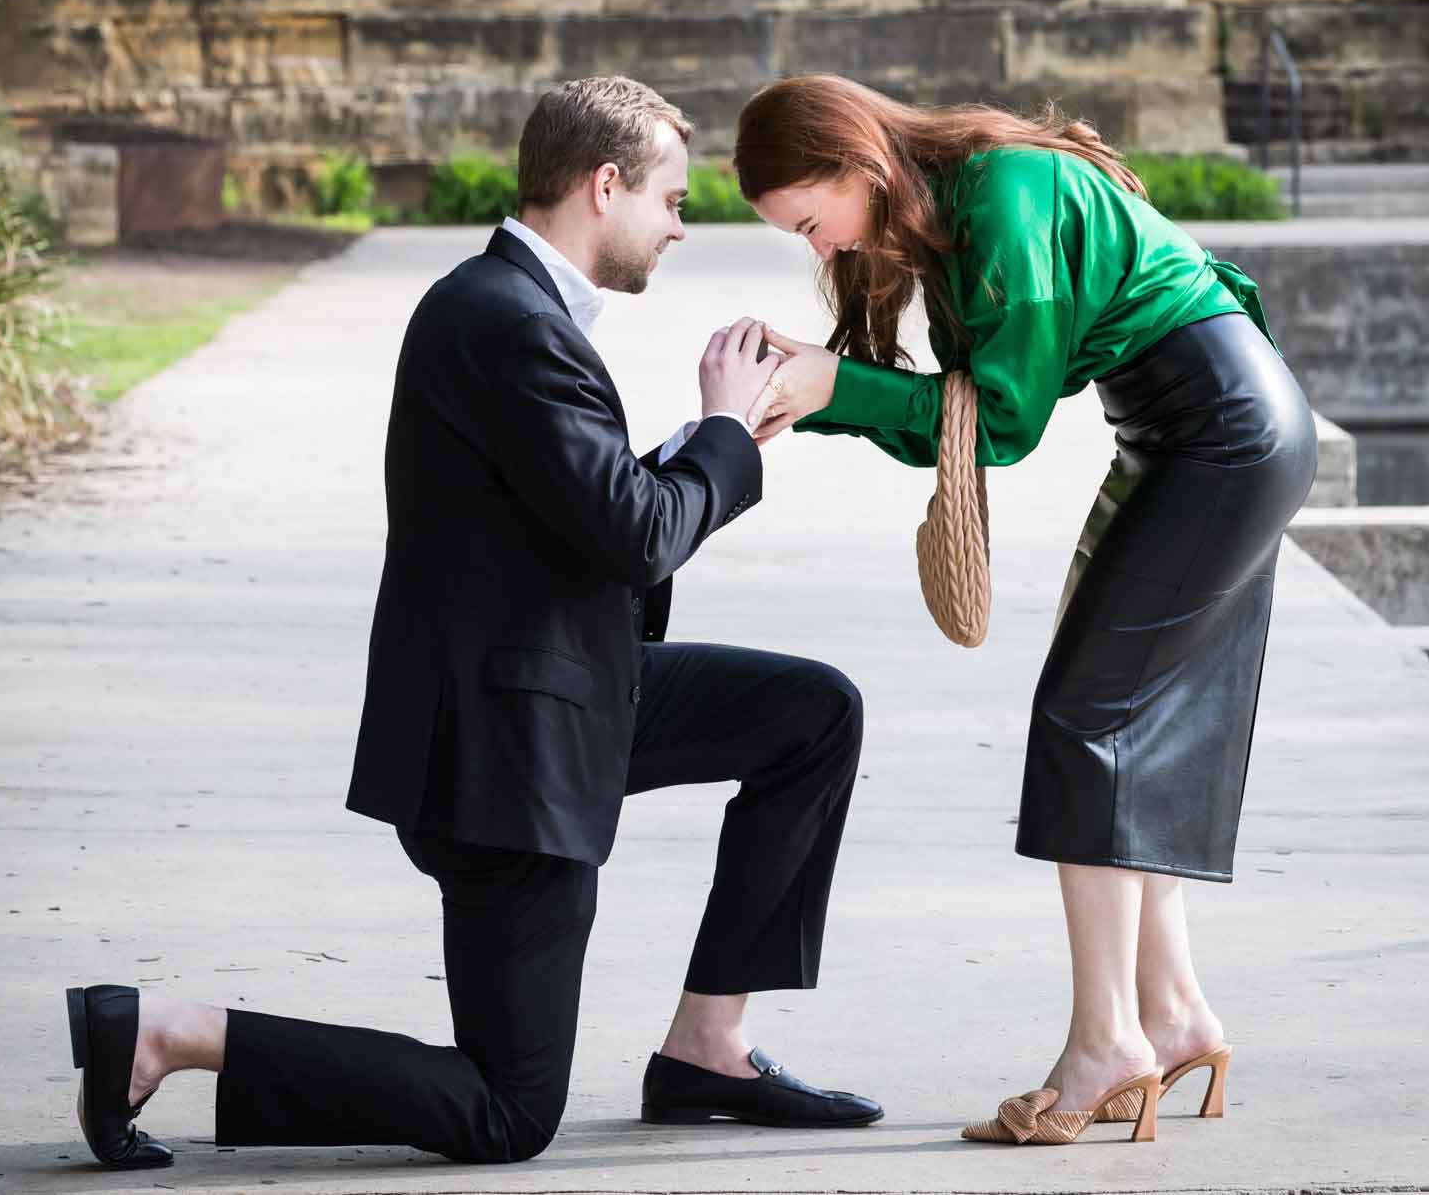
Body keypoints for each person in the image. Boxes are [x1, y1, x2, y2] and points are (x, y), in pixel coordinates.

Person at [63, 75, 882, 1173]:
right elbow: (637, 538)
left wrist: (713, 444)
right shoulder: (505, 323)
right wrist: (721, 435)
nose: (680, 226)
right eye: (671, 200)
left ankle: (707, 1044)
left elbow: (583, 515)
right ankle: (167, 1033)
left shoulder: (509, 311)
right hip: (506, 760)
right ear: (604, 186)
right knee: (507, 1111)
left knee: (810, 715)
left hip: (561, 693)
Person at [736, 74, 1317, 1147]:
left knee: (1084, 723)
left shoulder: (999, 194)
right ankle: (1176, 1014)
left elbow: (998, 424)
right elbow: (964, 410)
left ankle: (1107, 1040)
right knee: (1120, 728)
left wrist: (831, 390)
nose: (819, 254)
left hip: (1220, 436)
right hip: (1198, 433)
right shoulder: (962, 195)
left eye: (813, 224)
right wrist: (812, 396)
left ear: (858, 164)